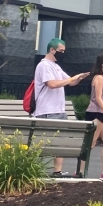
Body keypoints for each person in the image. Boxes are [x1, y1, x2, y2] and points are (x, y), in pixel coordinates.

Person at [33, 38, 89, 177]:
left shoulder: (56, 66)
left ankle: (57, 171)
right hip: (47, 111)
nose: (63, 53)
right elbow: (52, 84)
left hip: (59, 110)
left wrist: (79, 78)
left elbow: (70, 83)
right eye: (61, 51)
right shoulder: (44, 65)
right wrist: (71, 79)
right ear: (52, 50)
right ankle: (34, 169)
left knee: (60, 143)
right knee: (44, 143)